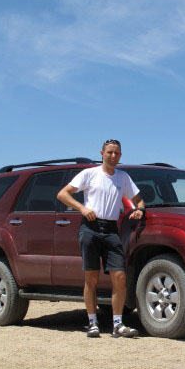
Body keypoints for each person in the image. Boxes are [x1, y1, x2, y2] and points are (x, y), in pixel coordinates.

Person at [57, 139, 145, 338]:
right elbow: (63, 194)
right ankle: (92, 322)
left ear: (121, 155)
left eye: (117, 153)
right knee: (92, 278)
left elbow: (139, 200)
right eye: (110, 152)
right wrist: (81, 208)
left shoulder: (123, 177)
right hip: (90, 227)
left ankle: (117, 324)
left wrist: (139, 210)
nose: (113, 156)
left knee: (120, 277)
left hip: (112, 229)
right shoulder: (90, 174)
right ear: (102, 153)